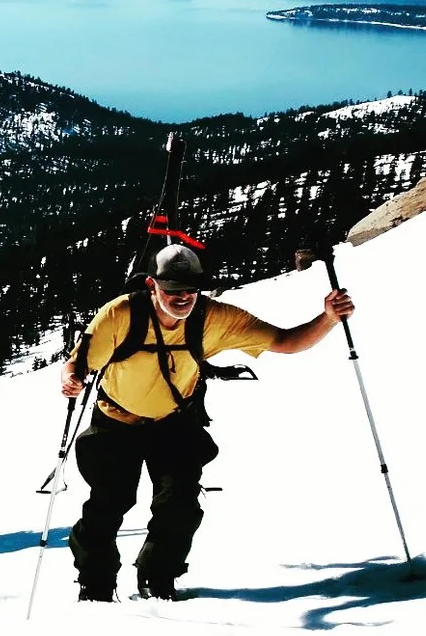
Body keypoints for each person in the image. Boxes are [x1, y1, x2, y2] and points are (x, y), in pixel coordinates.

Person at [61, 241, 353, 601]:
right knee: (108, 503)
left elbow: (285, 341)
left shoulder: (214, 318)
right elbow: (80, 361)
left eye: (191, 289)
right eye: (172, 290)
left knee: (180, 504)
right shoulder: (121, 314)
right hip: (115, 424)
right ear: (152, 284)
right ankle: (95, 584)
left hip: (173, 422)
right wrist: (71, 378)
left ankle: (157, 577)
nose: (183, 297)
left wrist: (328, 319)